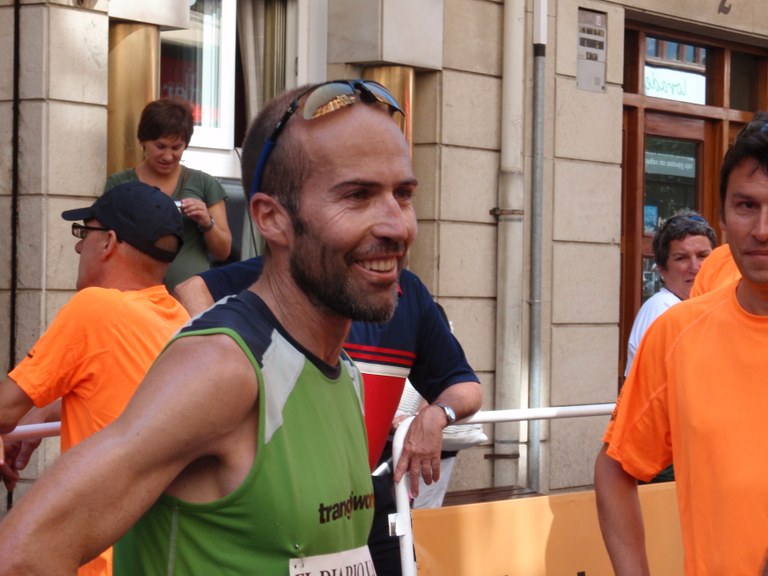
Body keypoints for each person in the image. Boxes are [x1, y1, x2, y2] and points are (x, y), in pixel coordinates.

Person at [0, 80, 479, 575]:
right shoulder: (223, 368)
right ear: (271, 219)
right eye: (357, 195)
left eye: (402, 194)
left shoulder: (346, 373)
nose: (396, 226)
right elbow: (23, 556)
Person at [174, 257, 483, 574]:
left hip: (368, 493)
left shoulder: (409, 292)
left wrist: (438, 413)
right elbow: (191, 289)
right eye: (360, 204)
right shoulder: (291, 268)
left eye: (401, 204)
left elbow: (465, 384)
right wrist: (231, 371)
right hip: (287, 496)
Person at [594, 115, 768, 575]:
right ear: (725, 217)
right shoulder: (677, 334)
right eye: (747, 205)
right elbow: (616, 467)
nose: (763, 228)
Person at [0, 182, 189, 576]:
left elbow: (3, 411)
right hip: (158, 556)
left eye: (83, 233)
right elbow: (115, 386)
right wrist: (43, 412)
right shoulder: (177, 319)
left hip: (102, 559)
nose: (76, 247)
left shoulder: (95, 308)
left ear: (108, 242)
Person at [105, 96, 232, 291]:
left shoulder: (204, 183)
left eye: (176, 147)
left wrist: (207, 222)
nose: (168, 156)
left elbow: (223, 251)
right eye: (160, 146)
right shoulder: (120, 183)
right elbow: (104, 243)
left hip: (190, 302)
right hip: (134, 297)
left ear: (186, 145)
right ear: (143, 141)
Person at [624, 210, 716, 377]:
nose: (695, 267)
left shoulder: (703, 307)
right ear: (661, 268)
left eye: (703, 256)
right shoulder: (662, 310)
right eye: (682, 258)